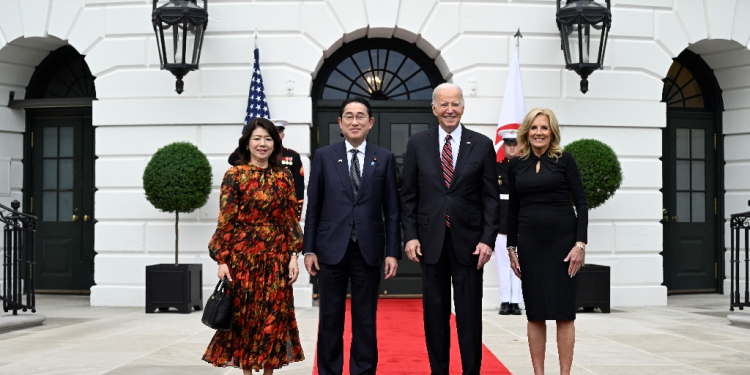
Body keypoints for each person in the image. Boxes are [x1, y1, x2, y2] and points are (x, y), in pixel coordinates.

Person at [401, 83, 500, 375]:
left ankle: (471, 371)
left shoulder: (481, 144)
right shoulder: (417, 144)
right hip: (430, 243)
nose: (449, 110)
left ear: (463, 107)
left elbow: (491, 199)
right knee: (435, 315)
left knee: (469, 315)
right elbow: (408, 196)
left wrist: (487, 240)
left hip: (470, 245)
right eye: (443, 104)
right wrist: (410, 236)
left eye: (454, 103)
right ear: (434, 109)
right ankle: (439, 371)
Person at [303, 96, 401, 375]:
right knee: (330, 318)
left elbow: (392, 210)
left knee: (365, 320)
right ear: (340, 123)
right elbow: (314, 206)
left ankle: (363, 370)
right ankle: (329, 371)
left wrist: (392, 251)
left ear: (370, 123)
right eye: (349, 116)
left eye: (360, 116)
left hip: (368, 250)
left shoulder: (384, 158)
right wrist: (309, 248)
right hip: (330, 250)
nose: (354, 121)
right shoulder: (324, 156)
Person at [203, 118, 304, 375]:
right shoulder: (234, 175)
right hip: (243, 261)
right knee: (246, 321)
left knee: (273, 319)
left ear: (275, 144)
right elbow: (225, 220)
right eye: (257, 138)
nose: (262, 144)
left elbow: (290, 219)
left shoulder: (284, 176)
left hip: (276, 259)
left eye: (268, 139)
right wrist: (222, 260)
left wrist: (293, 255)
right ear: (247, 143)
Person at [506, 108, 587, 375]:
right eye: (534, 128)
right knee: (535, 312)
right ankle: (538, 373)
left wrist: (580, 245)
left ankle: (565, 373)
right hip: (530, 245)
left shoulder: (566, 160)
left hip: (563, 246)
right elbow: (513, 208)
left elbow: (582, 204)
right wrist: (511, 247)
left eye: (544, 128)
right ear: (526, 132)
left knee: (564, 312)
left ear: (552, 132)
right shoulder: (516, 164)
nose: (539, 133)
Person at [229, 119, 305, 218]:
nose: (263, 143)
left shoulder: (291, 157)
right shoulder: (256, 155)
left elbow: (298, 184)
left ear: (282, 135)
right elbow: (233, 160)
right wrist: (247, 144)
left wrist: (296, 211)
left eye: (278, 132)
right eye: (257, 138)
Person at [495, 128, 523, 315]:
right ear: (503, 146)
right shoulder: (496, 168)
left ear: (520, 146)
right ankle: (505, 301)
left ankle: (516, 302)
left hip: (521, 221)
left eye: (514, 144)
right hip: (500, 221)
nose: (511, 147)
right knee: (502, 263)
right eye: (508, 144)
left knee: (520, 262)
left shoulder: (525, 166)